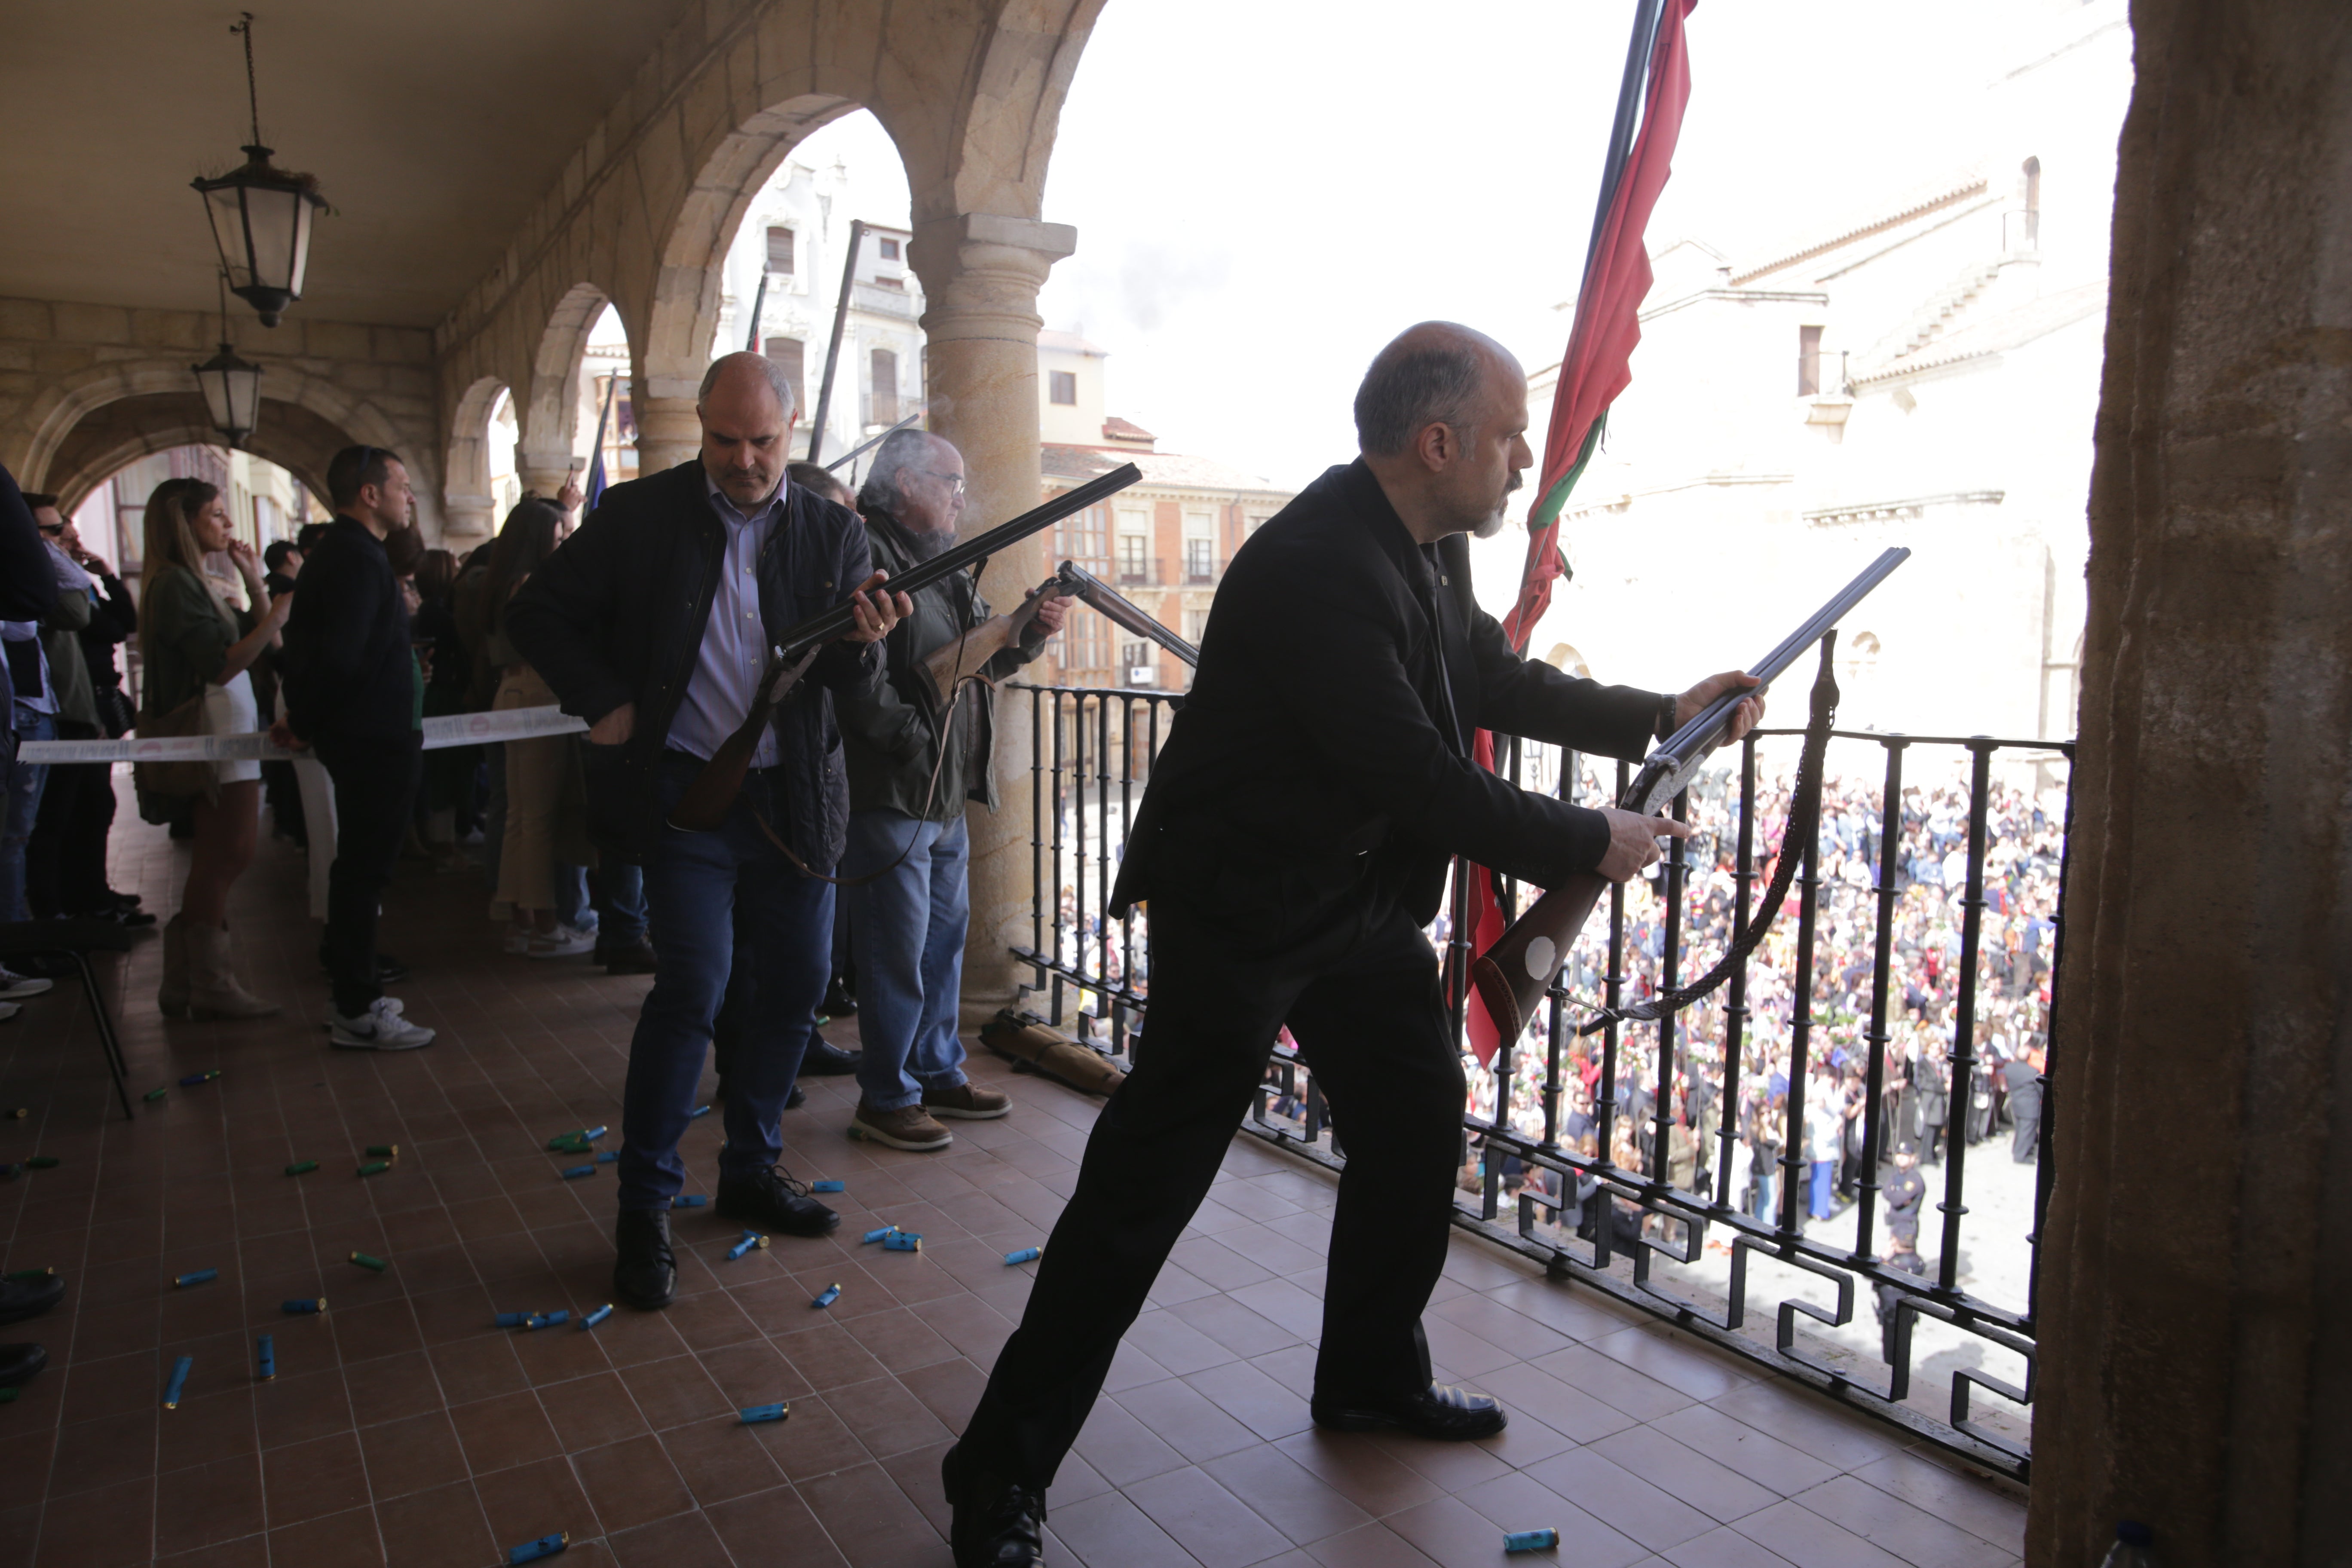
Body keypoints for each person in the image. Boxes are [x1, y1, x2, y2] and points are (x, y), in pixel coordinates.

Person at [940, 322, 1765, 1565]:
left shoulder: (1429, 553)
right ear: (1439, 443)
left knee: (1418, 1113)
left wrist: (1660, 711)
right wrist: (1591, 841)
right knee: (1141, 1194)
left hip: (1356, 906)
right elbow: (1422, 776)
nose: (1522, 460)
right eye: (1506, 438)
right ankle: (995, 1472)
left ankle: (1372, 1375)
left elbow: (1493, 684)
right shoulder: (1321, 564)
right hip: (1244, 913)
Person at [505, 352, 907, 1314]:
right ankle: (645, 1206)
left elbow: (854, 696)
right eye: (724, 440)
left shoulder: (832, 534)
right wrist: (601, 699)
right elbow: (537, 612)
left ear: (793, 429)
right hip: (689, 797)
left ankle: (749, 1171)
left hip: (796, 802)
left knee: (798, 990)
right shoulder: (640, 517)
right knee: (693, 987)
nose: (744, 459)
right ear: (699, 427)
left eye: (764, 441)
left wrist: (867, 647)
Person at [836, 429, 1067, 1151]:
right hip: (895, 789)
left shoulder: (943, 567)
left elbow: (976, 662)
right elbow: (857, 678)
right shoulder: (865, 555)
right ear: (905, 483)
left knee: (939, 945)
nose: (960, 496)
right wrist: (910, 735)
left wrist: (1026, 630)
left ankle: (935, 1070)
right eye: (950, 481)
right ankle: (886, 1093)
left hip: (940, 792)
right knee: (894, 951)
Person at [276, 447, 435, 1049]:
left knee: (363, 869)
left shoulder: (351, 554)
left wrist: (308, 717)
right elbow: (339, 660)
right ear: (369, 494)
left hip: (370, 734)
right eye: (400, 484)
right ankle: (358, 1006)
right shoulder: (354, 559)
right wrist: (308, 719)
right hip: (372, 739)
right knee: (363, 872)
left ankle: (356, 991)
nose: (409, 496)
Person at [136, 478, 294, 1017]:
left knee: (226, 852)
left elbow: (265, 646)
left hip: (227, 722)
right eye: (217, 514)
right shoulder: (177, 584)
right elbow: (223, 661)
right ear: (185, 523)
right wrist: (274, 614)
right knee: (228, 852)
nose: (228, 525)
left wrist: (254, 581)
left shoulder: (191, 580)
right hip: (215, 724)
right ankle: (209, 982)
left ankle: (188, 980)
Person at [479, 499, 596, 957]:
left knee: (519, 817)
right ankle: (545, 923)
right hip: (537, 695)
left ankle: (519, 919)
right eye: (561, 536)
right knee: (539, 819)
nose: (566, 543)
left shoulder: (504, 580)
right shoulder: (531, 584)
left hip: (513, 693)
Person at [36, 502, 146, 923]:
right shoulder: (60, 586)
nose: (72, 542)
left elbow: (123, 622)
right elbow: (99, 625)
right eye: (59, 533)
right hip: (76, 704)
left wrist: (108, 576)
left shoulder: (76, 583)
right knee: (78, 808)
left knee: (95, 804)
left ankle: (95, 893)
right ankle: (79, 903)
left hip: (95, 695)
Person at [2003, 1050, 2042, 1163]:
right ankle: (2021, 1156)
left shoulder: (2010, 1068)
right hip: (2030, 1105)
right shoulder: (2033, 1072)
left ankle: (2018, 1150)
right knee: (2027, 1131)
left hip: (2017, 1102)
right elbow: (2040, 1089)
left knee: (2021, 1129)